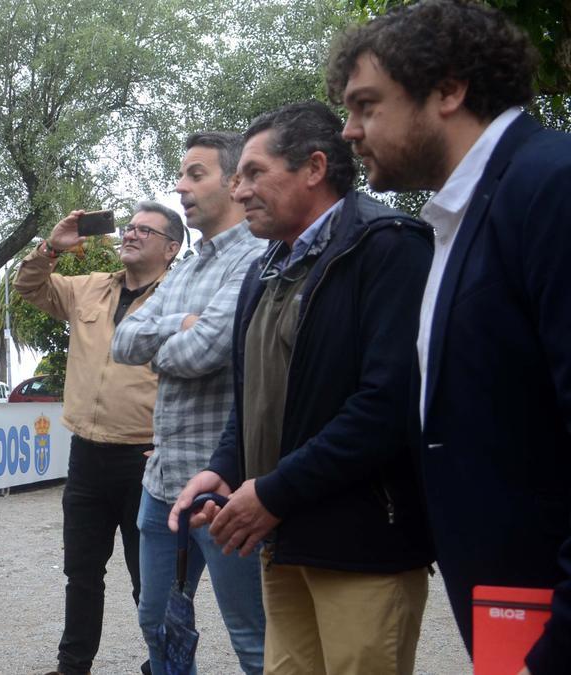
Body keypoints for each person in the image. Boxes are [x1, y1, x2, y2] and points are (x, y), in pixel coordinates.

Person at [328, 1, 571, 670]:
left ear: (449, 88)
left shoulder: (550, 185)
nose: (348, 130)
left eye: (366, 105)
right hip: (507, 620)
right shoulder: (456, 220)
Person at [172, 101, 433, 674]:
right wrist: (226, 466)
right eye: (237, 177)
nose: (239, 192)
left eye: (254, 173)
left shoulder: (388, 245)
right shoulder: (266, 267)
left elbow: (384, 408)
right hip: (284, 539)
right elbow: (257, 392)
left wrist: (273, 493)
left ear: (314, 168)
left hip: (364, 546)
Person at [112, 132, 267, 674]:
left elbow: (207, 351)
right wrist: (179, 325)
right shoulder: (188, 268)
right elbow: (122, 341)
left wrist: (167, 343)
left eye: (195, 174)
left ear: (234, 181)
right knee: (157, 623)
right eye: (181, 174)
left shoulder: (254, 257)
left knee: (254, 638)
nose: (180, 185)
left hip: (224, 488)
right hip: (161, 487)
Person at [15, 201, 181, 675]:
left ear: (171, 250)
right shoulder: (88, 288)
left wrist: (171, 442)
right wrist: (51, 247)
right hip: (87, 455)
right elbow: (27, 288)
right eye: (129, 227)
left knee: (149, 578)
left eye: (144, 231)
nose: (130, 234)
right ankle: (73, 666)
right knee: (81, 574)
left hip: (146, 459)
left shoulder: (181, 297)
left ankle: (164, 665)